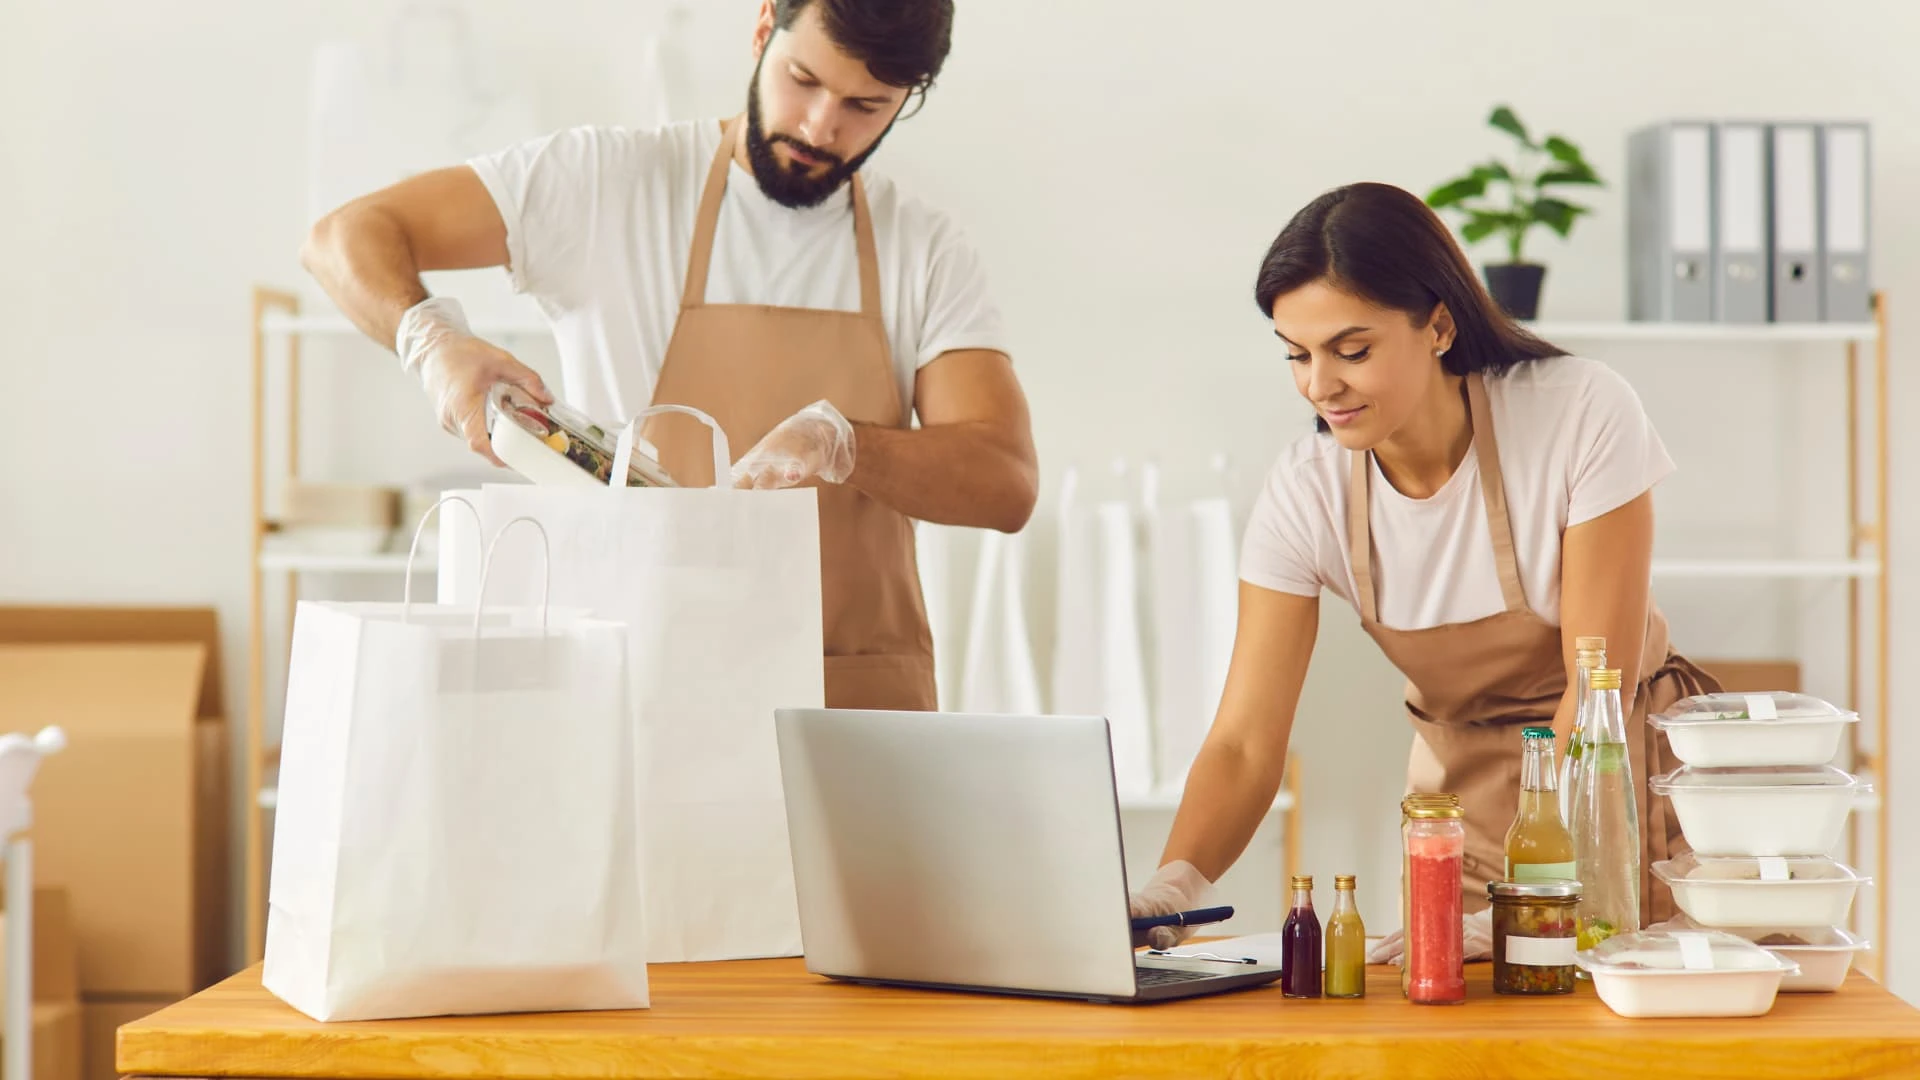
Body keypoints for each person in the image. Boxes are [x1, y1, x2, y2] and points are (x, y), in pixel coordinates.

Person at [301, 0, 1038, 712]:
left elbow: (1004, 480)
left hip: (848, 711)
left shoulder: (928, 251)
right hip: (640, 703)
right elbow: (347, 235)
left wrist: (846, 446)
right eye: (804, 80)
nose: (820, 126)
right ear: (762, 29)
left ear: (907, 98)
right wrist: (431, 340)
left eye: (866, 106)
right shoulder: (606, 185)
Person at [1127, 182, 1718, 952]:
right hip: (1459, 811)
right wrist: (1173, 887)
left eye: (1352, 349)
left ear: (1439, 325)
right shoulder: (1307, 494)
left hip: (1613, 779)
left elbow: (1592, 687)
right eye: (1297, 355)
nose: (1319, 385)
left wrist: (1531, 891)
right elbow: (1244, 740)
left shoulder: (1577, 412)